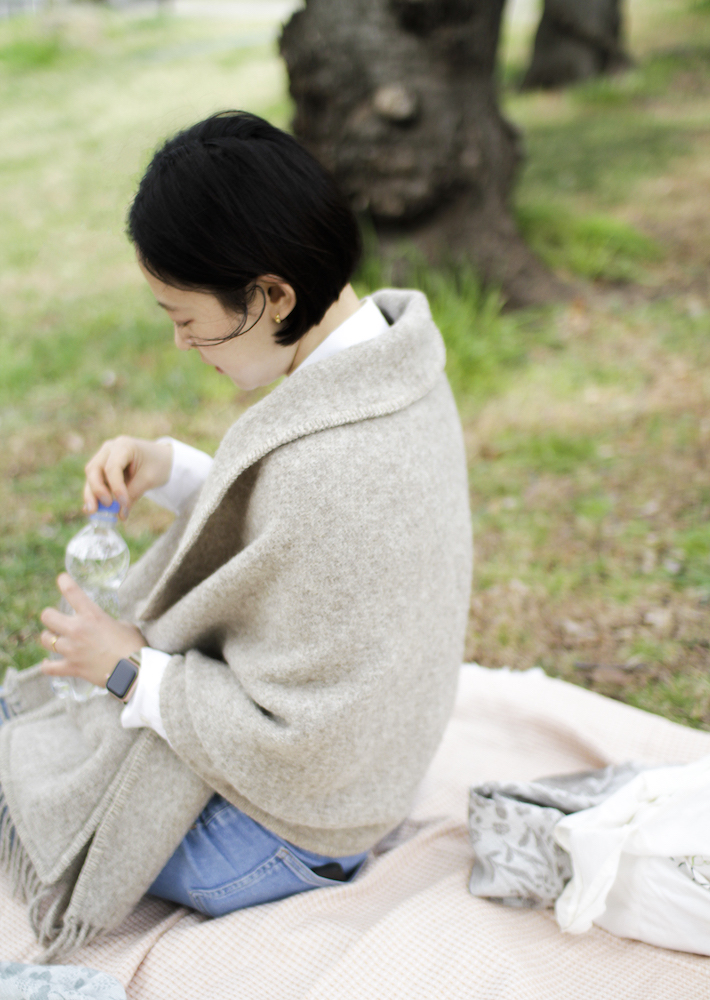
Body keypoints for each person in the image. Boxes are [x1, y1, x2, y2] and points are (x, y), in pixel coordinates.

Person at [0, 110, 472, 955]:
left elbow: (306, 743)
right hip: (362, 783)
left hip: (281, 840)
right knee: (44, 732)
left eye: (186, 317)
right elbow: (292, 545)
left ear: (271, 295)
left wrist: (128, 668)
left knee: (34, 774)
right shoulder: (391, 366)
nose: (182, 342)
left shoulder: (339, 467)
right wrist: (174, 469)